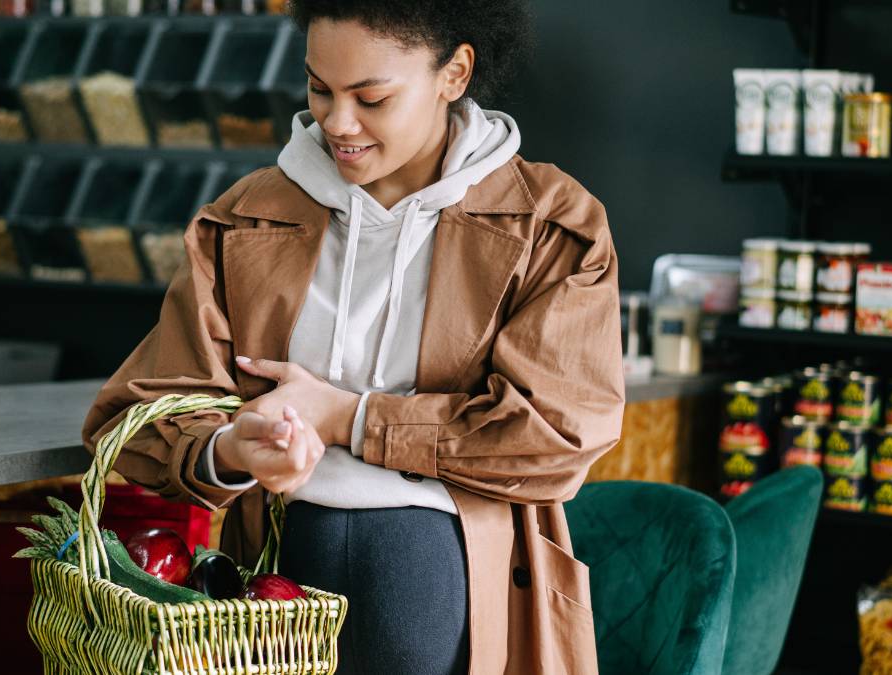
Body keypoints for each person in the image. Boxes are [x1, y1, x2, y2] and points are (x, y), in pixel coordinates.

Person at [82, 1, 625, 672]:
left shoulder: (550, 225)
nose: (338, 123)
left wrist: (351, 418)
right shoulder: (245, 219)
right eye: (319, 89)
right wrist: (231, 447)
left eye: (371, 97)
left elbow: (557, 432)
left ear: (454, 73)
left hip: (441, 590)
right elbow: (137, 415)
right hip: (269, 590)